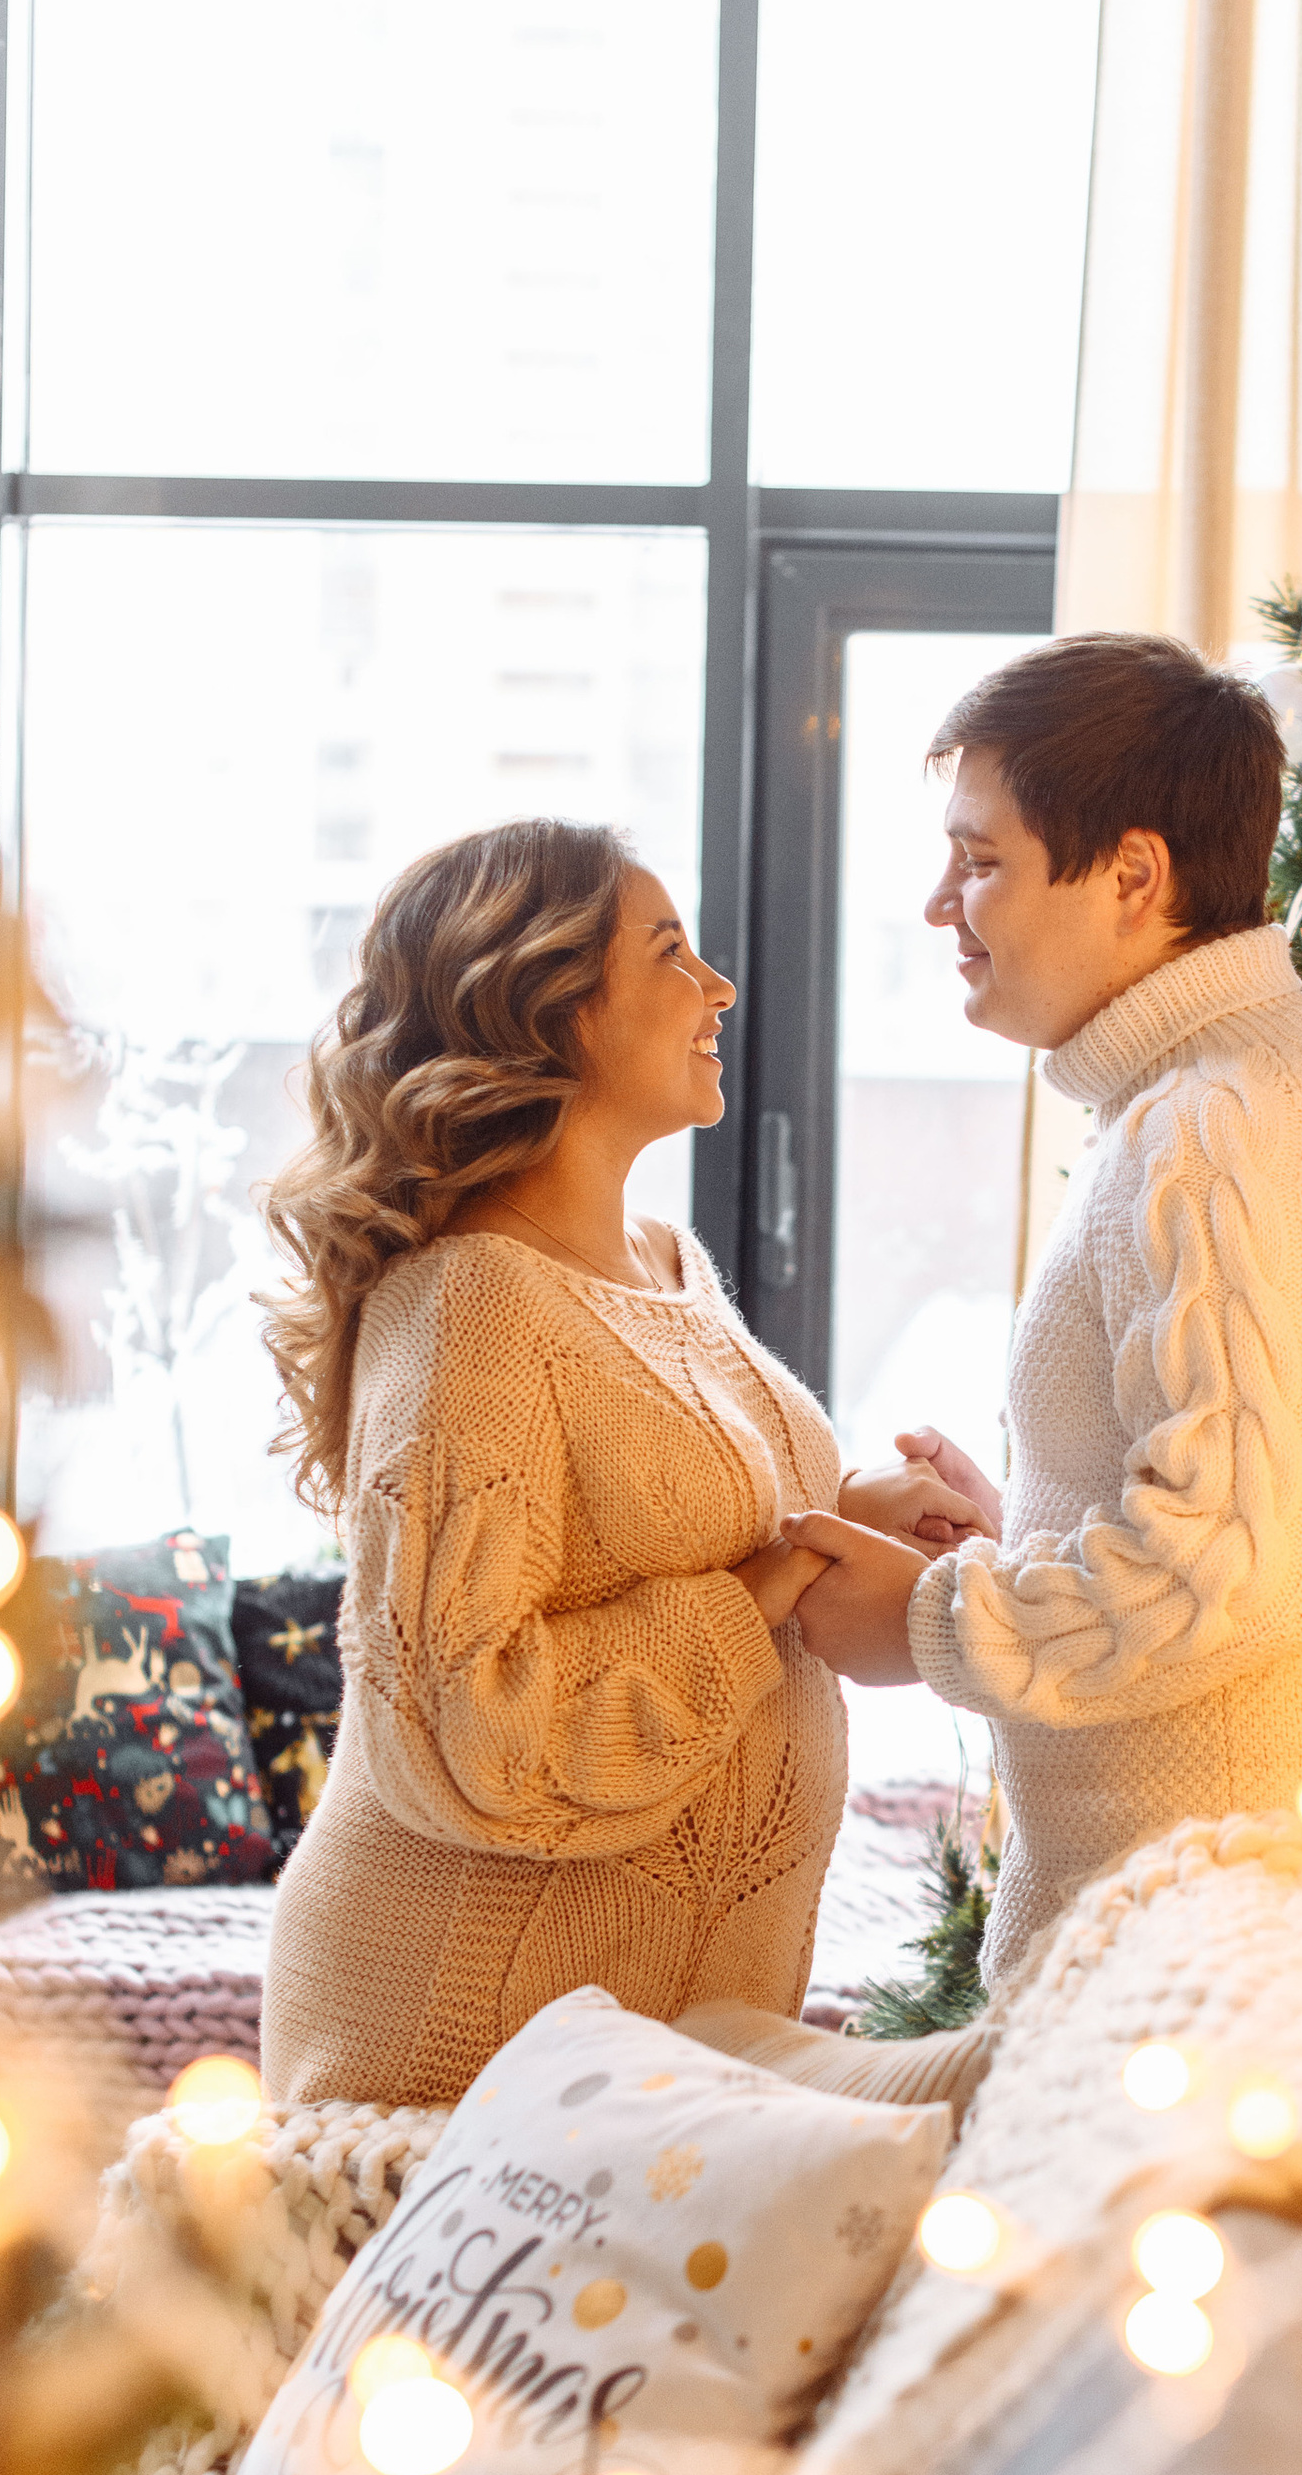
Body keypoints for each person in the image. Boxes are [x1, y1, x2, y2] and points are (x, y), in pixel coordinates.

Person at [257, 818, 980, 2109]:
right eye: (671, 952)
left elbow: (678, 1523)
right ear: (550, 1010)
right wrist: (767, 1586)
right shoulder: (472, 1305)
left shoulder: (668, 1262)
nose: (719, 987)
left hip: (646, 2035)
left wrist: (836, 1516)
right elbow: (464, 1732)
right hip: (462, 2044)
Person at [785, 633, 1302, 1996]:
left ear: (1134, 876)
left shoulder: (1218, 1131)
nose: (940, 905)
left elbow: (1229, 1559)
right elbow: (1239, 1506)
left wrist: (934, 1621)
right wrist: (1022, 1535)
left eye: (981, 861)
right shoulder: (1229, 1096)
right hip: (1207, 1943)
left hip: (1203, 1975)